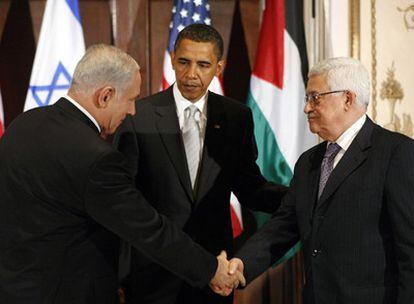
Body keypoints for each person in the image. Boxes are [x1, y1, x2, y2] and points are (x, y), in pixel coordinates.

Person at [0, 44, 243, 304]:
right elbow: (148, 229)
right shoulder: (96, 159)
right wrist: (211, 269)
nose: (132, 111)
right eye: (130, 99)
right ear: (105, 96)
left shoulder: (23, 124)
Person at [114, 24, 287, 304]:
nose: (191, 74)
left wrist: (302, 197)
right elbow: (123, 202)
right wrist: (120, 276)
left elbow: (250, 188)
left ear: (219, 67)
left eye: (203, 65)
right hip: (152, 276)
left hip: (213, 273)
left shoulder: (236, 118)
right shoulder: (138, 116)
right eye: (184, 62)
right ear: (172, 59)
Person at [228, 57, 414, 304]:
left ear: (347, 99)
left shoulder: (395, 153)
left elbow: (410, 250)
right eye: (307, 99)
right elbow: (285, 224)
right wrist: (241, 265)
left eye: (315, 97)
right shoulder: (309, 162)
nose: (307, 108)